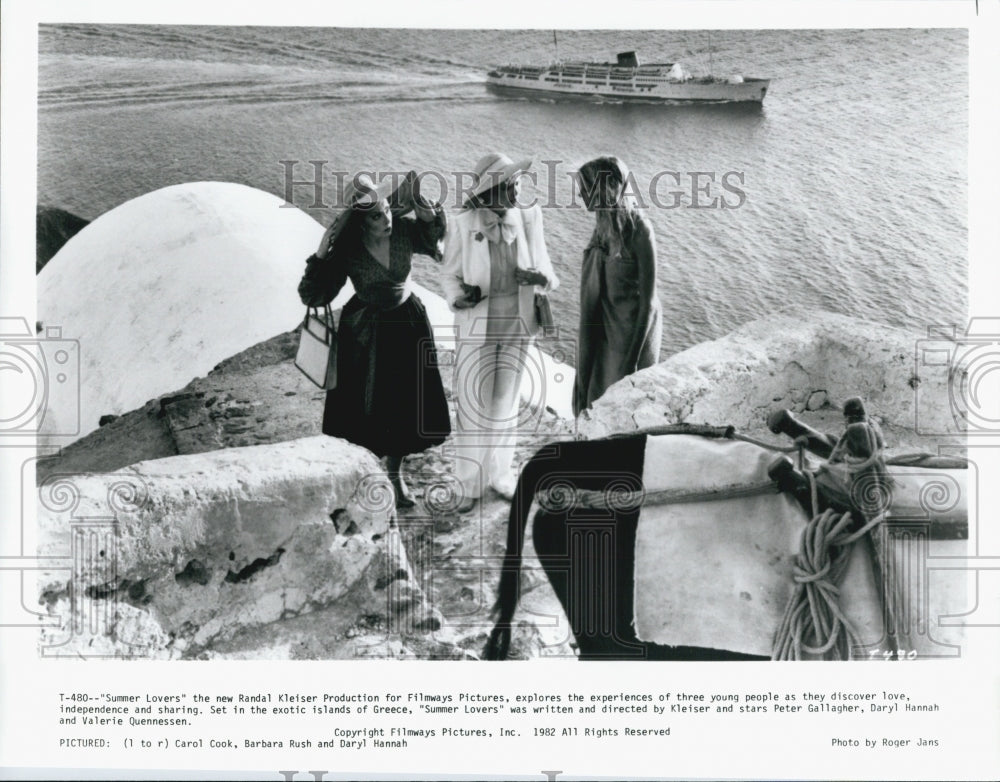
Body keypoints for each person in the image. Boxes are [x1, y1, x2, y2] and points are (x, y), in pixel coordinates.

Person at [297, 171, 450, 508]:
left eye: (387, 209)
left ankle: (395, 475)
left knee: (406, 406)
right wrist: (321, 255)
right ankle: (366, 476)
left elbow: (437, 244)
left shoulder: (404, 231)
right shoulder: (348, 250)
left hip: (408, 325)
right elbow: (313, 294)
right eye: (377, 215)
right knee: (365, 408)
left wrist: (429, 217)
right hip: (365, 333)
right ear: (362, 222)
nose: (387, 218)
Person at [442, 153, 559, 511]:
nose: (517, 188)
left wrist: (540, 279)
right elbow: (449, 274)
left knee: (505, 404)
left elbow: (548, 273)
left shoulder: (529, 216)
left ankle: (500, 475)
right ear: (490, 190)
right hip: (477, 325)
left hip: (517, 326)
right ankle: (468, 484)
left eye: (518, 182)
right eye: (509, 184)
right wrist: (458, 299)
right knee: (473, 405)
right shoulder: (463, 222)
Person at [573, 156, 663, 417]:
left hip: (630, 336)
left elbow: (649, 303)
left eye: (585, 188)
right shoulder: (603, 226)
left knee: (618, 408)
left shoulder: (640, 231)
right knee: (591, 396)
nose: (580, 195)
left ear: (604, 189)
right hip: (604, 331)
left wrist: (631, 361)